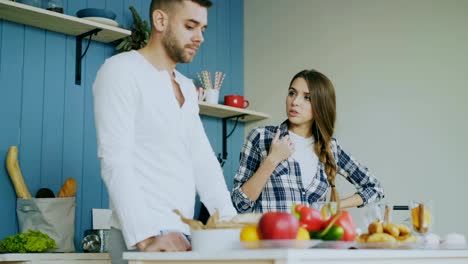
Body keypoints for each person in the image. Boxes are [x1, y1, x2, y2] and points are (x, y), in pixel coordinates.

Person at [93, 0, 237, 260]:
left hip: (182, 238)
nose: (200, 37)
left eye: (203, 28)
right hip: (140, 239)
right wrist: (145, 239)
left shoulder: (186, 88)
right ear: (160, 21)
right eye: (190, 26)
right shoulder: (120, 71)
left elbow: (203, 164)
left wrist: (232, 225)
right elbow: (115, 160)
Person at [231, 69, 384, 214]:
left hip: (313, 240)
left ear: (321, 105)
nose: (295, 102)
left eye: (307, 97)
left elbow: (374, 188)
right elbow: (239, 204)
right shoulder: (261, 137)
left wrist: (334, 206)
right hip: (272, 241)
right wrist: (272, 159)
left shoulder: (330, 148)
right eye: (292, 93)